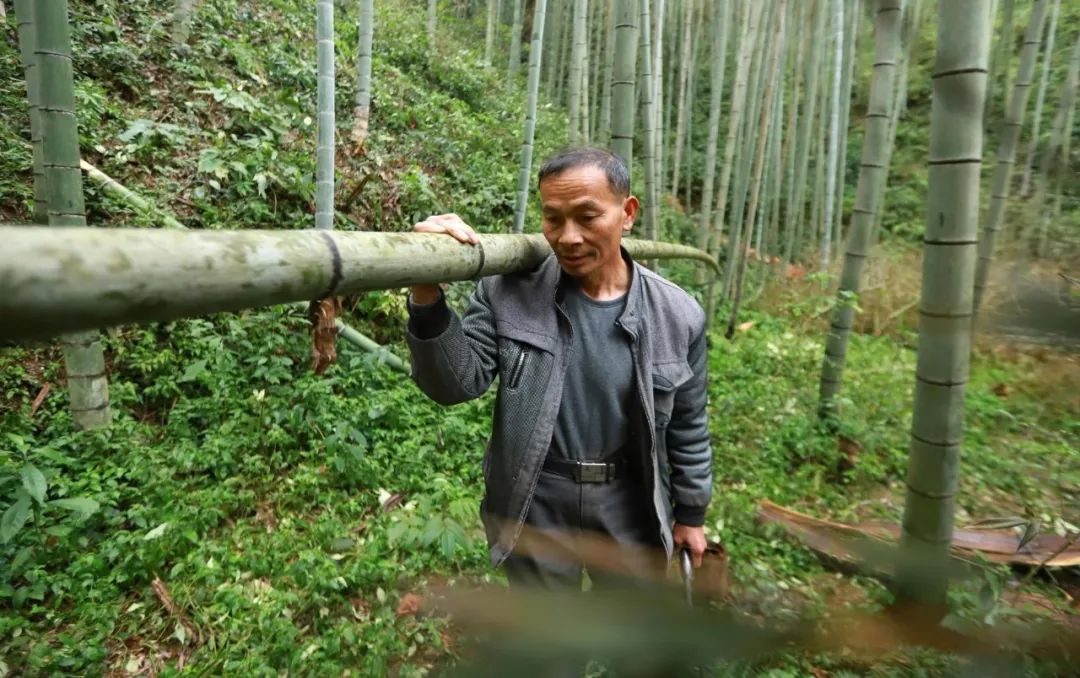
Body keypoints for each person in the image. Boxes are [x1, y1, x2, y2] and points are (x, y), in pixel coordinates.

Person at [405, 147, 711, 592]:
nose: (568, 237)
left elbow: (688, 424)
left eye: (587, 217)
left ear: (627, 214)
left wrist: (691, 513)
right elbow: (456, 383)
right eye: (553, 218)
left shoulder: (678, 314)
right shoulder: (507, 290)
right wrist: (426, 288)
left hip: (629, 500)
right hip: (538, 496)